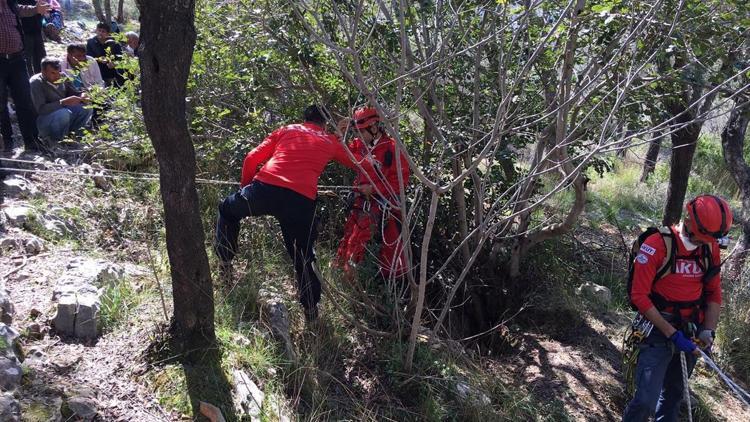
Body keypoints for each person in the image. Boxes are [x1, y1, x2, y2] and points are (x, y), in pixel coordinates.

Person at [215, 105, 375, 323]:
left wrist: (246, 190)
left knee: (227, 209)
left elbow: (252, 158)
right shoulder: (329, 141)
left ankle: (225, 264)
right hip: (300, 201)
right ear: (325, 123)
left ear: (304, 118)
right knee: (303, 255)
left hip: (264, 189)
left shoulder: (287, 130)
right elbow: (357, 163)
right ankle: (311, 312)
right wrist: (373, 161)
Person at [623, 195, 733, 421]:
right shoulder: (656, 244)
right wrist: (671, 334)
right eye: (704, 238)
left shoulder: (710, 248)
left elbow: (714, 293)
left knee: (673, 396)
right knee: (645, 401)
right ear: (689, 221)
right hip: (656, 328)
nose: (706, 243)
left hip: (691, 330)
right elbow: (639, 296)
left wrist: (708, 330)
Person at [334, 107, 410, 280]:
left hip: (383, 203)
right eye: (357, 132)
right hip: (361, 200)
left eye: (361, 131)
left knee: (362, 238)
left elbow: (401, 182)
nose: (358, 135)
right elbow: (340, 153)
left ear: (374, 128)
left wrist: (374, 189)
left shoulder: (392, 148)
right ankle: (340, 272)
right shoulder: (359, 145)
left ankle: (355, 279)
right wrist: (339, 134)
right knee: (349, 235)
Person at [1, 0, 47, 152]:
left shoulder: (10, 3)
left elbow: (21, 9)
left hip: (17, 59)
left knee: (25, 101)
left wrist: (36, 9)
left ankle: (32, 141)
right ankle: (7, 143)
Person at [29, 57, 92, 144]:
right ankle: (57, 142)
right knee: (63, 113)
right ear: (43, 72)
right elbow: (41, 110)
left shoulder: (62, 77)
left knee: (86, 107)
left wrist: (82, 95)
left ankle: (75, 138)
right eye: (53, 73)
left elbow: (75, 92)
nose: (57, 76)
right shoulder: (36, 83)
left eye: (58, 72)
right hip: (43, 121)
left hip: (63, 115)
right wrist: (62, 102)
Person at [86, 22, 123, 87]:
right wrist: (99, 60)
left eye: (103, 31)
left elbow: (120, 57)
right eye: (99, 30)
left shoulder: (114, 43)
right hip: (97, 69)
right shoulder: (91, 42)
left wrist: (114, 63)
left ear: (108, 33)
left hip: (112, 70)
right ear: (96, 31)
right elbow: (88, 57)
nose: (100, 33)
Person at [18, 0, 46, 75]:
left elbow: (40, 10)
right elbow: (18, 10)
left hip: (37, 30)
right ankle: (30, 80)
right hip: (25, 32)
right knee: (27, 59)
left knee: (40, 56)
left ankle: (42, 78)